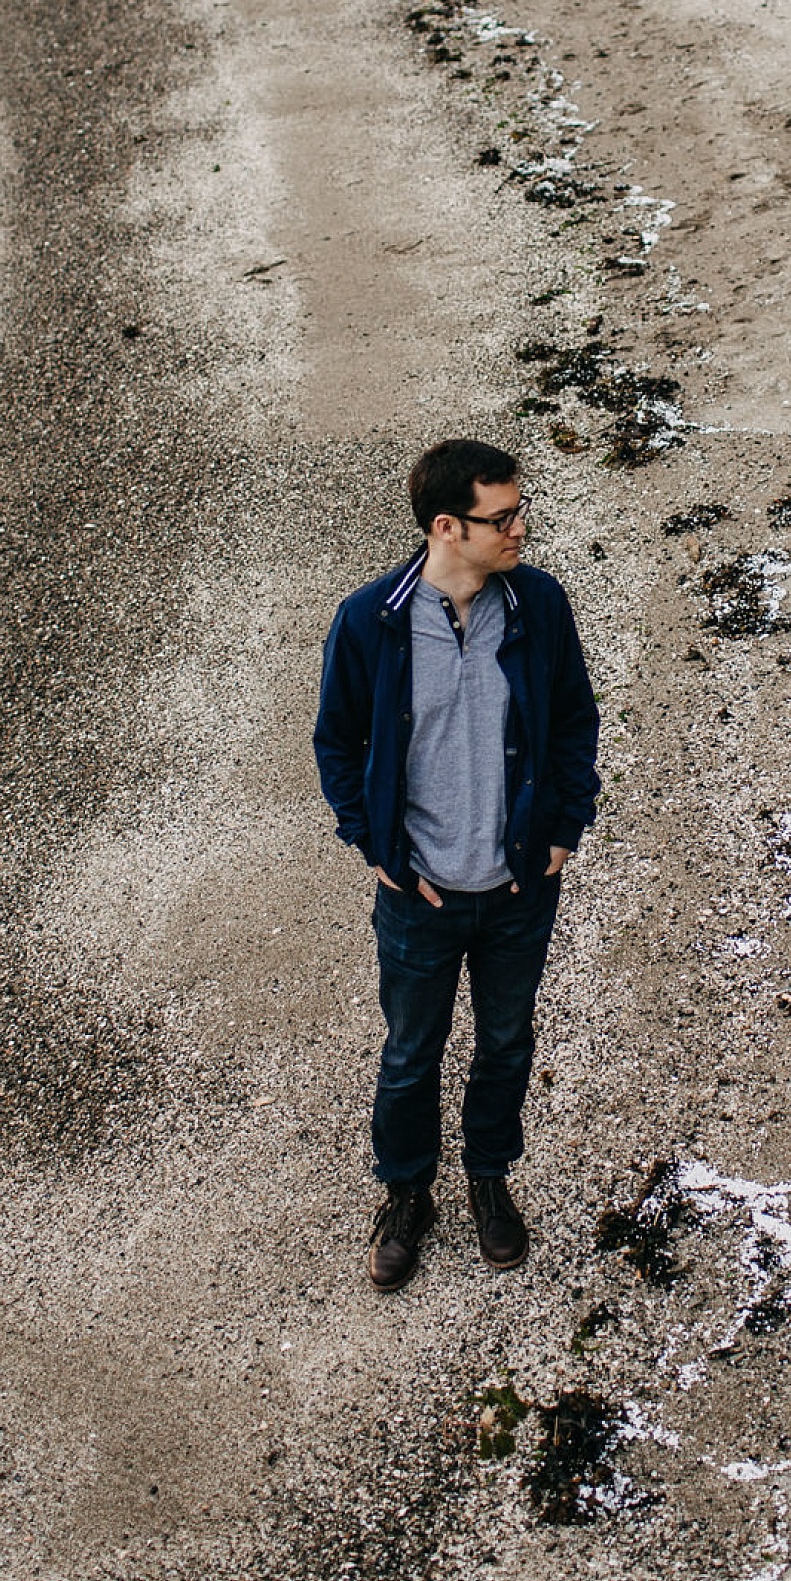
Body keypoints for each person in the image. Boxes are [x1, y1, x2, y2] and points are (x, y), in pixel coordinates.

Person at [313, 437, 599, 1290]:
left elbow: (575, 718)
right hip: (419, 894)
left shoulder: (539, 605)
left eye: (518, 510)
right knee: (410, 1051)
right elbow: (337, 741)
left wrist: (562, 829)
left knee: (507, 1043)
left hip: (519, 885)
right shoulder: (372, 619)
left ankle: (488, 1179)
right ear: (447, 526)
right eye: (501, 517)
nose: (520, 527)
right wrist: (376, 847)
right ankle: (407, 1195)